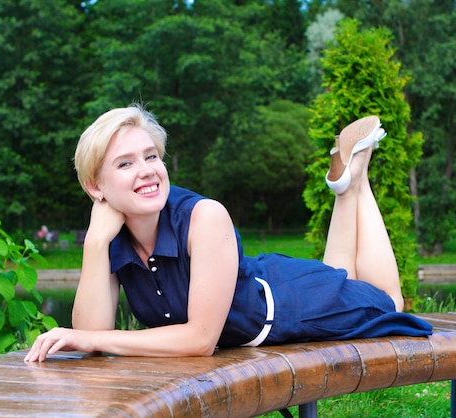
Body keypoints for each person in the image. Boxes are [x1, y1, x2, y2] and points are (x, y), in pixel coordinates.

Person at [24, 104, 432, 362]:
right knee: (338, 271)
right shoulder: (110, 236)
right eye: (125, 164)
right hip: (273, 287)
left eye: (151, 156)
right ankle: (347, 182)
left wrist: (98, 340)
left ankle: (357, 181)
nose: (146, 170)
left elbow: (200, 339)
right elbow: (90, 332)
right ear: (96, 187)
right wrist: (94, 244)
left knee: (387, 299)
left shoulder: (205, 216)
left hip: (291, 307)